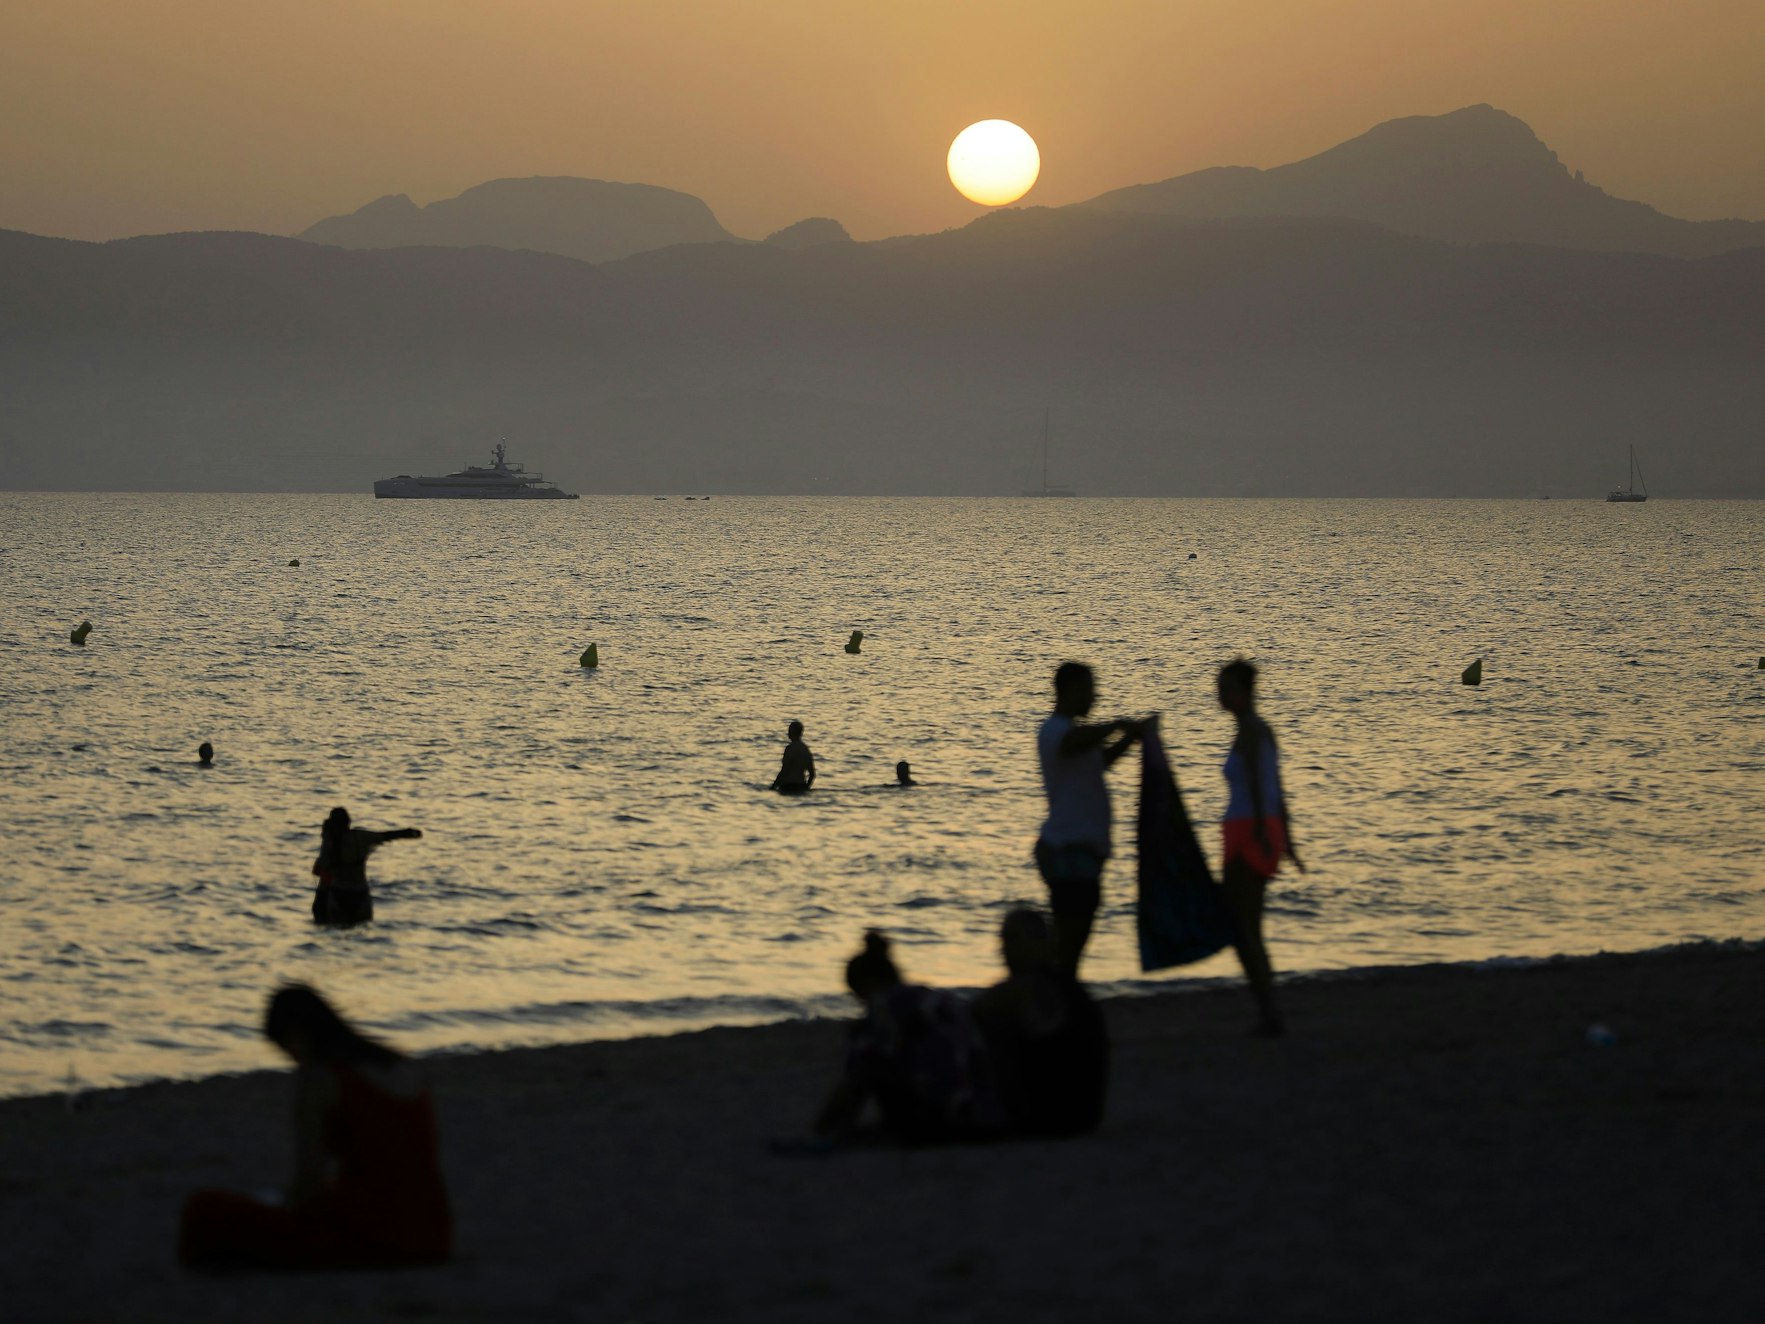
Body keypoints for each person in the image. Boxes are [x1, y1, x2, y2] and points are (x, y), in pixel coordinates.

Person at [178, 984, 452, 1270]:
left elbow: (309, 1179)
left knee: (203, 1210)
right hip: (433, 1231)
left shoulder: (320, 1079)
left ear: (299, 1035)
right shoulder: (398, 1064)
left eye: (287, 1048)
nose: (293, 1060)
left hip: (374, 1233)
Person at [813, 931, 1001, 1144]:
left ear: (867, 985)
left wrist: (822, 1127)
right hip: (986, 1115)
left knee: (870, 1059)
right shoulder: (933, 998)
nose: (862, 1004)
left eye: (858, 996)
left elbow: (856, 1076)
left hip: (945, 1121)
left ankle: (839, 1132)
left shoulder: (884, 1008)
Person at [1035, 662, 1143, 975]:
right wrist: (1118, 725)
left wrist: (1131, 738)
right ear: (1070, 691)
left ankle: (1060, 993)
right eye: (1089, 690)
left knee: (1073, 939)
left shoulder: (1076, 734)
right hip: (1067, 847)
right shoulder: (1055, 730)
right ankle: (1058, 997)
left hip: (1083, 847)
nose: (1094, 697)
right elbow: (1073, 744)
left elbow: (1101, 761)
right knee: (1069, 938)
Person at [1216, 658, 1305, 1035]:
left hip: (1250, 831)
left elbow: (1259, 784)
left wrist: (1269, 836)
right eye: (1220, 686)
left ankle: (1270, 1011)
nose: (1220, 693)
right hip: (1249, 829)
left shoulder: (1253, 730)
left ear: (1245, 691)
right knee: (1246, 925)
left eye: (1227, 687)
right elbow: (1276, 787)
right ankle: (1268, 1009)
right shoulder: (1253, 729)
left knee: (1243, 926)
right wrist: (1288, 839)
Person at [971, 909, 1109, 1137]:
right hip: (1084, 1117)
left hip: (1048, 1118)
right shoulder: (1071, 989)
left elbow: (973, 1013)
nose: (1004, 949)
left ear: (1041, 943)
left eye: (1013, 939)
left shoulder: (1029, 989)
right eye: (1004, 940)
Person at [311, 807, 422, 925]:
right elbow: (386, 836)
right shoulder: (360, 837)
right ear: (348, 822)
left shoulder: (330, 843)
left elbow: (318, 870)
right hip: (360, 895)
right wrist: (408, 833)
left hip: (338, 894)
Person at [771, 720, 816, 795]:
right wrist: (806, 787)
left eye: (789, 731)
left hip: (788, 786)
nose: (788, 733)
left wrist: (774, 786)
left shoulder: (790, 748)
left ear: (793, 732)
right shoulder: (805, 749)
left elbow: (785, 770)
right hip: (801, 786)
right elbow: (812, 774)